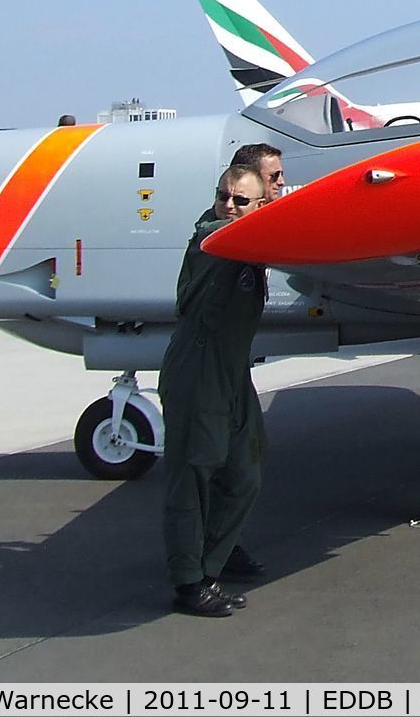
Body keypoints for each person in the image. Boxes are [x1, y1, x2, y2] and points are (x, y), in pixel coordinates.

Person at [162, 164, 271, 618]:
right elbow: (218, 235)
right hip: (199, 370)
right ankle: (191, 582)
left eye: (240, 201)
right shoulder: (213, 239)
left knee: (246, 471)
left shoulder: (253, 239)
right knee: (193, 476)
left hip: (231, 370)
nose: (228, 205)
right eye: (224, 196)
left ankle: (216, 554)